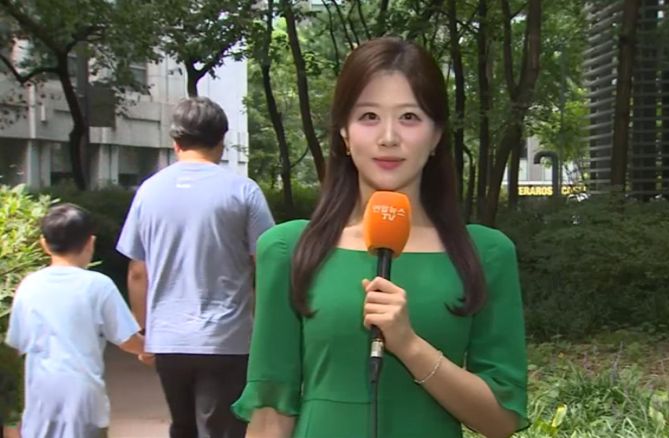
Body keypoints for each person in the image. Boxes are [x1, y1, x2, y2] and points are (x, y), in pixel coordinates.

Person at [232, 37, 529, 438]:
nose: (388, 137)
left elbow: (501, 419)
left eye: (409, 117)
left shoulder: (485, 253)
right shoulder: (289, 249)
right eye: (369, 116)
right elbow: (271, 414)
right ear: (344, 132)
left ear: (436, 135)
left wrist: (409, 345)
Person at [116, 96, 275, 438]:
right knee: (221, 431)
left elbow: (137, 271)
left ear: (175, 141)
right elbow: (268, 264)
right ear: (221, 142)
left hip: (168, 339)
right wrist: (264, 329)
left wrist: (145, 332)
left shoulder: (148, 192)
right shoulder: (243, 191)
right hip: (227, 339)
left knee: (183, 428)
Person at [5, 203, 145, 438]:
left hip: (40, 395)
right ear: (90, 242)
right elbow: (127, 339)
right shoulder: (99, 285)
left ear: (43, 243)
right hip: (84, 397)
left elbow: (16, 345)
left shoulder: (29, 285)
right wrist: (151, 350)